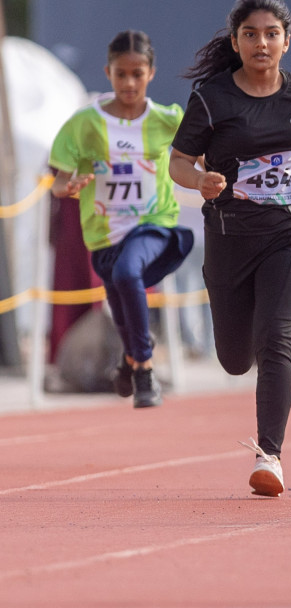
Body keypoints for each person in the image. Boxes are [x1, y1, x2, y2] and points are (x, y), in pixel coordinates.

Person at [169, 0, 291, 497]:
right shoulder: (213, 98)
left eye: (271, 34)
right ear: (236, 42)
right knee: (236, 358)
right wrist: (200, 180)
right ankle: (243, 356)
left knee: (277, 339)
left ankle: (269, 456)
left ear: (286, 41)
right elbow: (178, 162)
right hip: (230, 238)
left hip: (290, 234)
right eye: (251, 34)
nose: (262, 43)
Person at [48, 30, 194, 408]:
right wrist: (69, 185)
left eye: (137, 74)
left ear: (151, 73)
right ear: (108, 73)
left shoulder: (168, 120)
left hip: (154, 225)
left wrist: (209, 178)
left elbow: (198, 160)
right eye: (121, 74)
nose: (129, 83)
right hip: (104, 234)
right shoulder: (85, 124)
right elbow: (58, 182)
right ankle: (131, 359)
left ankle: (144, 368)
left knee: (130, 273)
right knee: (121, 308)